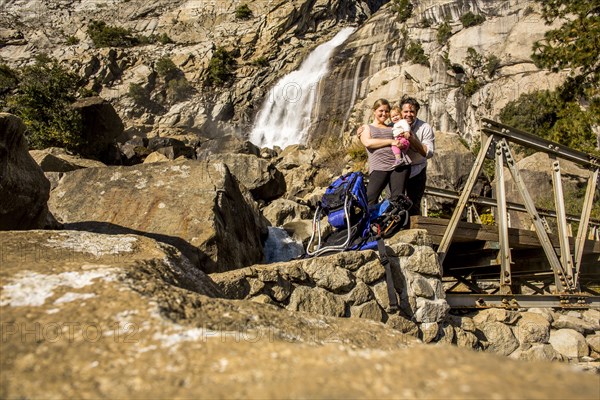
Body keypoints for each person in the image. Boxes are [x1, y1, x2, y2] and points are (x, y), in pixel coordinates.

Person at [358, 99, 411, 205]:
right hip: (379, 166)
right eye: (381, 111)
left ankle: (393, 221)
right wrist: (391, 141)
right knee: (370, 198)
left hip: (399, 165)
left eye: (387, 111)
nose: (384, 114)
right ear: (374, 111)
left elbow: (406, 128)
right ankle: (369, 221)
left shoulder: (392, 127)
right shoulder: (366, 127)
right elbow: (368, 143)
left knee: (397, 199)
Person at [399, 96, 435, 216]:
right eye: (406, 111)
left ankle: (413, 232)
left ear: (416, 113)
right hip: (398, 169)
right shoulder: (394, 125)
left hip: (417, 169)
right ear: (401, 112)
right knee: (394, 200)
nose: (409, 114)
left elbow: (428, 153)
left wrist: (413, 139)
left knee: (413, 204)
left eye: (412, 111)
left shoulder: (425, 127)